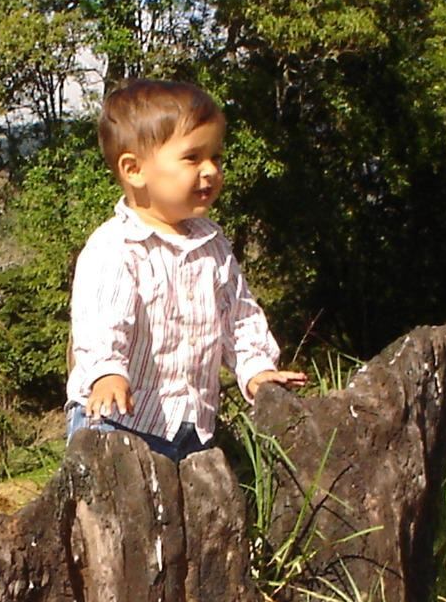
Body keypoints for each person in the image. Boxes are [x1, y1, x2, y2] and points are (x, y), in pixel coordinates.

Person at [66, 79, 307, 461]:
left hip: (192, 429)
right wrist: (107, 372)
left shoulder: (213, 245)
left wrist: (256, 370)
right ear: (134, 169)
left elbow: (239, 317)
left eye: (216, 157)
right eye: (193, 158)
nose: (210, 170)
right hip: (118, 422)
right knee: (120, 500)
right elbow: (100, 323)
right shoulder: (116, 247)